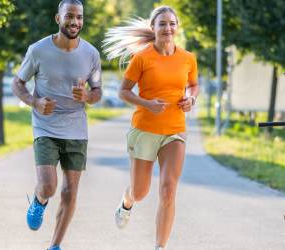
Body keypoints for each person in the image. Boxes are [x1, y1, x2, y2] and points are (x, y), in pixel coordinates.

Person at [103, 5, 199, 250]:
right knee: (140, 191)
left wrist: (191, 98)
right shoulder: (142, 58)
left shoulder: (188, 58)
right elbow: (122, 92)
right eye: (162, 24)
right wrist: (146, 103)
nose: (168, 28)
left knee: (168, 191)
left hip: (175, 130)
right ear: (153, 28)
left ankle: (160, 246)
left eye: (171, 23)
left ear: (177, 27)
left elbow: (193, 84)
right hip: (145, 129)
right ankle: (126, 201)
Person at [12, 1, 102, 249]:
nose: (75, 22)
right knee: (50, 186)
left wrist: (87, 97)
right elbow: (17, 83)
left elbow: (97, 92)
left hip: (76, 129)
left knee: (70, 192)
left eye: (79, 17)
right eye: (70, 16)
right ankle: (39, 200)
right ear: (58, 18)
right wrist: (34, 101)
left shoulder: (91, 54)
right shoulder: (38, 50)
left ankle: (54, 245)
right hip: (46, 127)